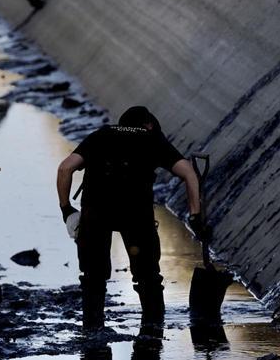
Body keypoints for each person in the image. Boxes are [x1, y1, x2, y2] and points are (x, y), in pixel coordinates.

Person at [57, 106, 208, 337]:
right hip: (136, 214)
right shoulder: (152, 138)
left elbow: (65, 168)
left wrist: (66, 209)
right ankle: (154, 332)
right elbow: (188, 172)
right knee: (148, 278)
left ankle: (92, 332)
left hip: (96, 212)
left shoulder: (101, 135)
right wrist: (195, 215)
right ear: (149, 124)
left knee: (93, 278)